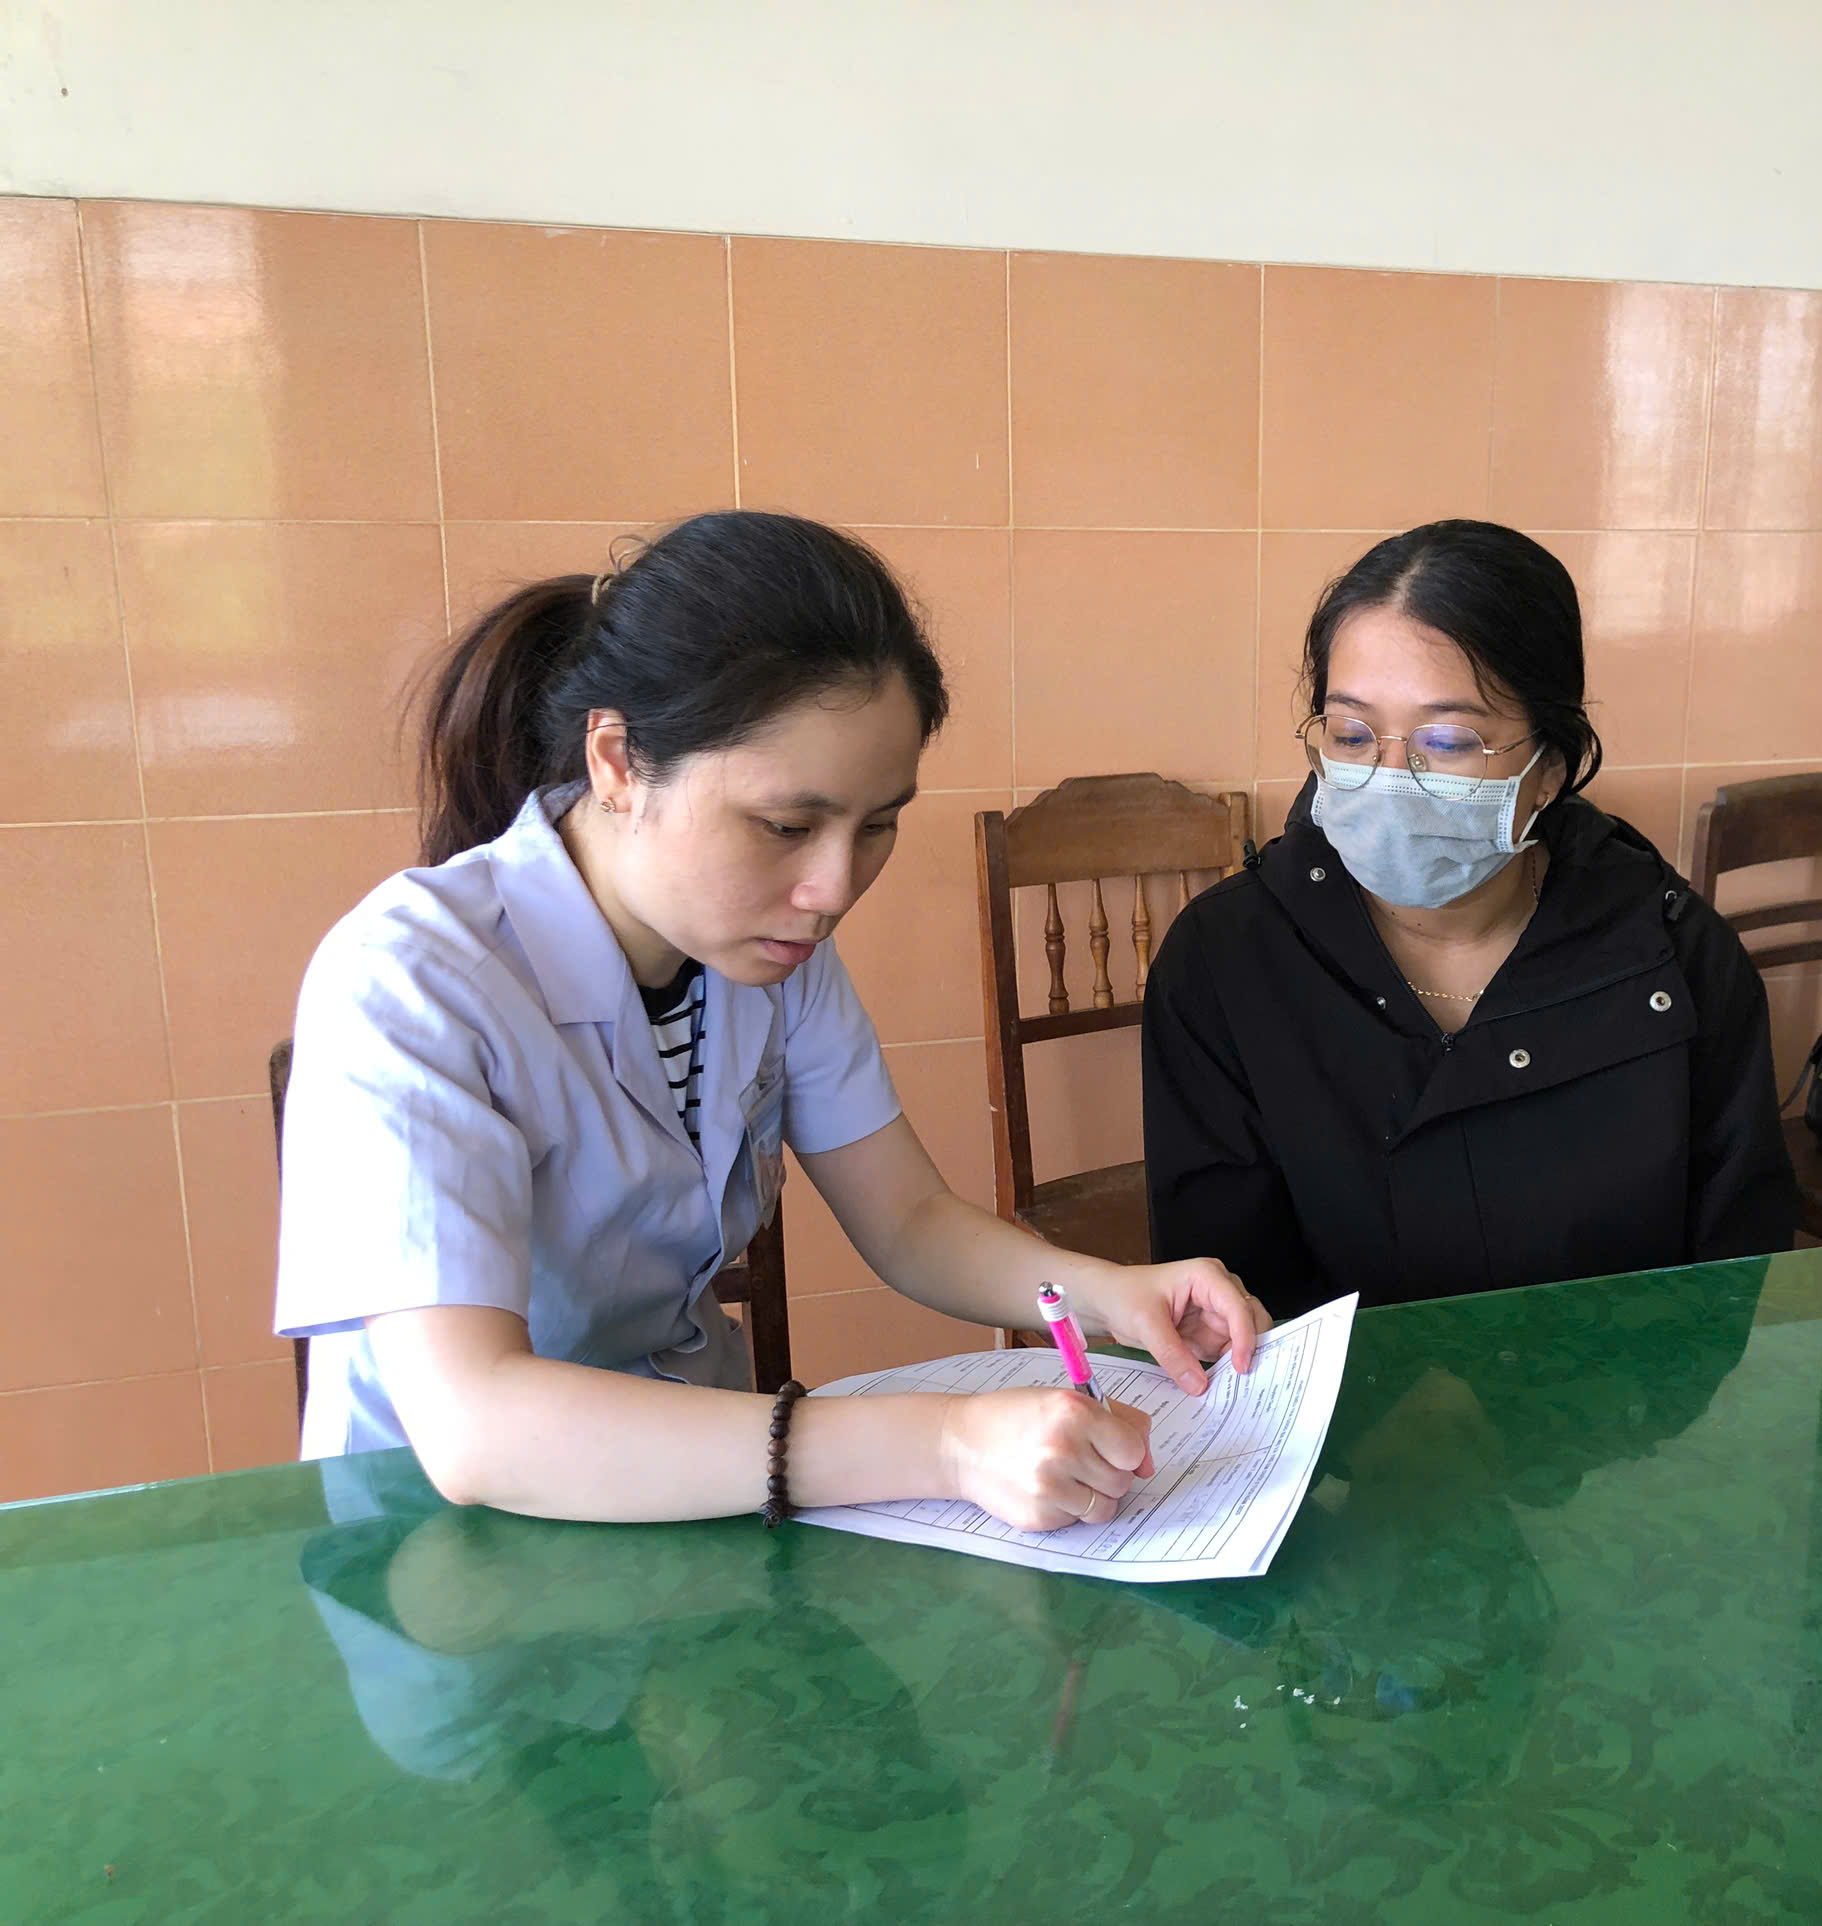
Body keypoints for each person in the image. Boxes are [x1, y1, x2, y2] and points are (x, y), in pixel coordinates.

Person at [276, 511, 1267, 1529]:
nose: (832, 889)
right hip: (448, 1542)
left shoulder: (769, 954)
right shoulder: (413, 980)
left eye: (877, 825)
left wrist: (1108, 1293)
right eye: (786, 826)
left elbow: (909, 1220)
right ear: (617, 760)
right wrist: (949, 1442)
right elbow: (477, 1427)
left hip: (693, 1490)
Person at [1140, 519, 1796, 1321]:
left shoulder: (1675, 960)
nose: (1390, 778)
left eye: (1448, 741)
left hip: (1617, 1395)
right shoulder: (1226, 960)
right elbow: (1225, 1296)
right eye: (1351, 734)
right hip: (1341, 1399)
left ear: (1549, 769)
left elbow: (1729, 1275)